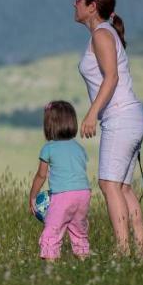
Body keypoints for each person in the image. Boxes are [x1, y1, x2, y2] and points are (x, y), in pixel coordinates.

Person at [74, 0, 143, 257]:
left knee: (108, 184)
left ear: (92, 6)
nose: (75, 3)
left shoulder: (102, 35)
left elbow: (112, 77)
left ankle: (122, 250)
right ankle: (141, 253)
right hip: (129, 116)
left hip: (120, 116)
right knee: (123, 187)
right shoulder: (102, 33)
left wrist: (92, 113)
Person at [28, 100, 91, 261]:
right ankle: (83, 258)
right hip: (84, 193)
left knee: (52, 230)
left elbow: (41, 175)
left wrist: (32, 197)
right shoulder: (79, 148)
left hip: (63, 196)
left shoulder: (48, 148)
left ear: (49, 125)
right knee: (78, 230)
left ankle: (50, 265)